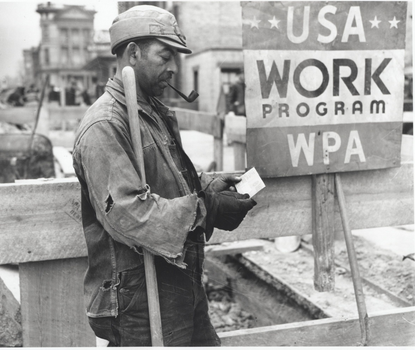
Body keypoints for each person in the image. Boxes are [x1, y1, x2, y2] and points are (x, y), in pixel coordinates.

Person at [72, 5, 256, 347]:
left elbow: (165, 178)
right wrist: (207, 209)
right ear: (133, 53)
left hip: (175, 278)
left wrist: (208, 187)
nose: (173, 68)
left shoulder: (149, 113)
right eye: (164, 56)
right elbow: (129, 213)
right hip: (139, 295)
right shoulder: (107, 124)